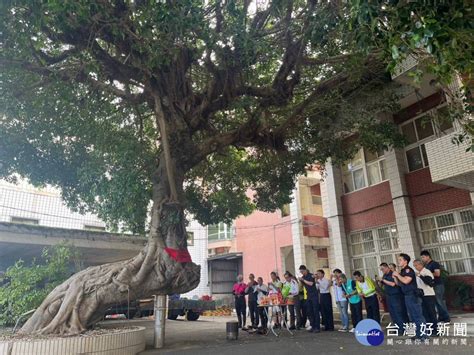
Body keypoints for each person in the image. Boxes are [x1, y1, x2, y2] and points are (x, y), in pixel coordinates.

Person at [393, 253, 427, 340]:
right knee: (412, 316)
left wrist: (398, 275)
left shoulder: (408, 270)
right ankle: (418, 334)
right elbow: (399, 284)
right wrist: (395, 277)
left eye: (400, 260)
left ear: (405, 261)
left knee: (417, 316)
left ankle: (423, 335)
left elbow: (406, 281)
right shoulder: (403, 271)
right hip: (407, 295)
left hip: (413, 295)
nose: (398, 261)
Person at [420, 250, 450, 323]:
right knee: (436, 302)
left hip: (438, 285)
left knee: (440, 301)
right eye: (422, 258)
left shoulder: (434, 264)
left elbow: (437, 274)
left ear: (428, 256)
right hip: (432, 286)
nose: (422, 259)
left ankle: (446, 317)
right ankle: (441, 317)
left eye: (423, 257)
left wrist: (427, 274)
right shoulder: (426, 265)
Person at [379, 263, 408, 334]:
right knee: (393, 313)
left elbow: (393, 284)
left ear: (386, 267)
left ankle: (402, 329)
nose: (382, 271)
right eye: (381, 270)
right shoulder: (385, 275)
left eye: (382, 269)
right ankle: (397, 328)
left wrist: (383, 280)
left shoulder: (393, 274)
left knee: (398, 312)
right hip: (388, 296)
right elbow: (383, 284)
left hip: (396, 296)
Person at [413, 259, 438, 331]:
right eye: (414, 266)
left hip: (429, 295)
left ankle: (435, 330)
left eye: (416, 265)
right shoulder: (418, 273)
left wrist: (420, 276)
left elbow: (429, 283)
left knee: (431, 313)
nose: (415, 267)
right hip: (422, 296)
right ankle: (429, 329)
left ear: (420, 265)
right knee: (425, 313)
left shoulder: (427, 272)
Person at [298, 265, 320, 333]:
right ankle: (312, 326)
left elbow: (311, 283)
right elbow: (302, 286)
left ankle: (317, 327)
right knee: (309, 311)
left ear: (305, 270)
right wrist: (300, 281)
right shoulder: (303, 277)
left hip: (314, 295)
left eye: (302, 271)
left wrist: (303, 280)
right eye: (300, 272)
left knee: (315, 311)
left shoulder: (311, 275)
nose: (301, 273)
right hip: (308, 296)